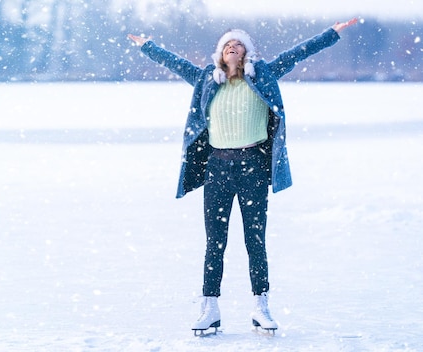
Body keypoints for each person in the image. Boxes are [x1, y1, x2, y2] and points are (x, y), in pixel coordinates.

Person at [128, 18, 358, 334]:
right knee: (215, 243)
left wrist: (331, 35)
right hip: (217, 168)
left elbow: (297, 54)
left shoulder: (263, 76)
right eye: (227, 45)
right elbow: (174, 63)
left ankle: (261, 306)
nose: (232, 47)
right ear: (220, 55)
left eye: (237, 44)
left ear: (246, 52)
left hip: (253, 166)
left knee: (255, 239)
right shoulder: (206, 79)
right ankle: (209, 307)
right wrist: (147, 46)